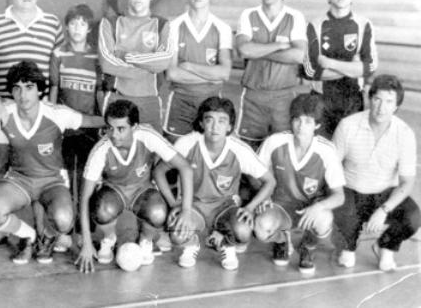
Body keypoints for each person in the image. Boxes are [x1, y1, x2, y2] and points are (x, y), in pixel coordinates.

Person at [0, 61, 104, 265]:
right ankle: (27, 236)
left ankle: (47, 235)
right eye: (17, 89)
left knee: (65, 221)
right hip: (19, 180)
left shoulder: (56, 114)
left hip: (51, 181)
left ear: (39, 90)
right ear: (11, 91)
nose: (23, 95)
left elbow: (90, 121)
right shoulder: (3, 116)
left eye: (29, 87)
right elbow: (1, 165)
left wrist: (121, 120)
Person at [155, 97, 276, 270]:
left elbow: (270, 181)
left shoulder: (239, 150)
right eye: (209, 120)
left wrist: (250, 208)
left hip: (225, 207)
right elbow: (159, 171)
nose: (215, 126)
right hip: (193, 206)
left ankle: (226, 244)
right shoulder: (187, 143)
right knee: (176, 233)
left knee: (243, 231)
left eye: (222, 121)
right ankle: (192, 244)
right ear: (202, 123)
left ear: (229, 126)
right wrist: (175, 204)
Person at [75, 99, 194, 273]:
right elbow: (84, 198)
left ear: (135, 127)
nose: (114, 134)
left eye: (121, 129)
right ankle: (109, 238)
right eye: (110, 127)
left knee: (158, 212)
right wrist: (86, 244)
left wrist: (186, 210)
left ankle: (146, 241)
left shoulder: (148, 137)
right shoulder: (101, 150)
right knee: (101, 208)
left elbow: (185, 168)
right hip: (115, 190)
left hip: (142, 190)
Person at [333, 74, 420, 272]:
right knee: (347, 260)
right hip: (352, 191)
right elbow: (332, 168)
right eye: (377, 99)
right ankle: (348, 245)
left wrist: (384, 210)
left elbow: (407, 182)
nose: (381, 107)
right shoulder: (348, 125)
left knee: (413, 217)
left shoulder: (404, 134)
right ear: (369, 99)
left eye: (389, 102)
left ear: (396, 106)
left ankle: (385, 246)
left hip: (384, 193)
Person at [254, 93, 345, 274]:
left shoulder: (326, 151)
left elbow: (339, 196)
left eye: (308, 121)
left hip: (309, 207)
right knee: (260, 228)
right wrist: (264, 196)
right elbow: (255, 174)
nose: (301, 126)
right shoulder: (275, 142)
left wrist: (319, 207)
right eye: (297, 120)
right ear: (291, 120)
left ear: (317, 125)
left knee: (324, 219)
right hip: (280, 205)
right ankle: (282, 240)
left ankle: (307, 246)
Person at [235, 0, 307, 149]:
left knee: (281, 152)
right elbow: (243, 50)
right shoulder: (248, 15)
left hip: (283, 97)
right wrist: (278, 45)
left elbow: (299, 55)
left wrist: (258, 51)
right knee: (248, 152)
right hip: (253, 96)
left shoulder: (294, 17)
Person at [49, 4, 101, 250]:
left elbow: (101, 94)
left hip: (90, 129)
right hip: (66, 129)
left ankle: (86, 229)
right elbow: (54, 91)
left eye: (82, 23)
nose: (77, 28)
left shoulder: (96, 57)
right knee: (67, 178)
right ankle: (66, 230)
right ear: (66, 26)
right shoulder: (59, 54)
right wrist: (50, 120)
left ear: (89, 27)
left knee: (87, 178)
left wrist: (102, 123)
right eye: (72, 23)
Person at [303, 0, 378, 137]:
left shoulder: (363, 25)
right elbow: (310, 71)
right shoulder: (314, 25)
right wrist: (353, 67)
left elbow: (370, 67)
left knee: (349, 156)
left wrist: (330, 64)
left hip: (352, 101)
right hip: (321, 101)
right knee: (321, 155)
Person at [98, 0, 173, 133]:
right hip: (117, 98)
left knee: (150, 154)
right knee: (113, 153)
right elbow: (106, 63)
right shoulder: (110, 23)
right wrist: (147, 66)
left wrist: (124, 55)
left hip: (150, 101)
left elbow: (162, 62)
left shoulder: (162, 25)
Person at [164, 0, 232, 142]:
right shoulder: (174, 27)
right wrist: (211, 76)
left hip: (211, 104)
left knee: (207, 157)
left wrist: (189, 66)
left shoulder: (222, 29)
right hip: (181, 102)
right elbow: (172, 73)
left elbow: (224, 73)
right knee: (174, 156)